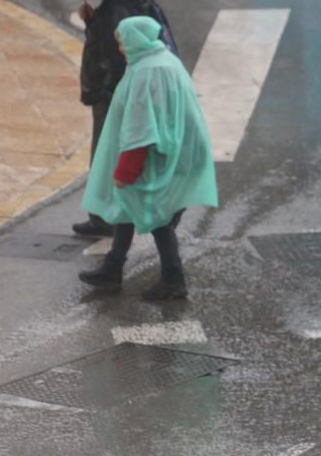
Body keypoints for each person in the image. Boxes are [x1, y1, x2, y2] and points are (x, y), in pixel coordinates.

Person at [78, 16, 217, 300]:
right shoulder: (163, 60)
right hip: (177, 152)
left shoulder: (146, 73)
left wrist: (125, 171)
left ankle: (173, 279)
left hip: (154, 159)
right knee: (128, 209)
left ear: (135, 40)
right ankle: (112, 268)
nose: (119, 47)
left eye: (121, 41)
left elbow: (140, 129)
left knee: (155, 216)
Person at [73, 0, 176, 237]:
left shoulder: (123, 3)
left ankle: (107, 219)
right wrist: (93, 20)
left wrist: (114, 92)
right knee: (106, 156)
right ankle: (107, 223)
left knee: (108, 156)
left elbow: (119, 50)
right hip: (112, 92)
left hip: (113, 94)